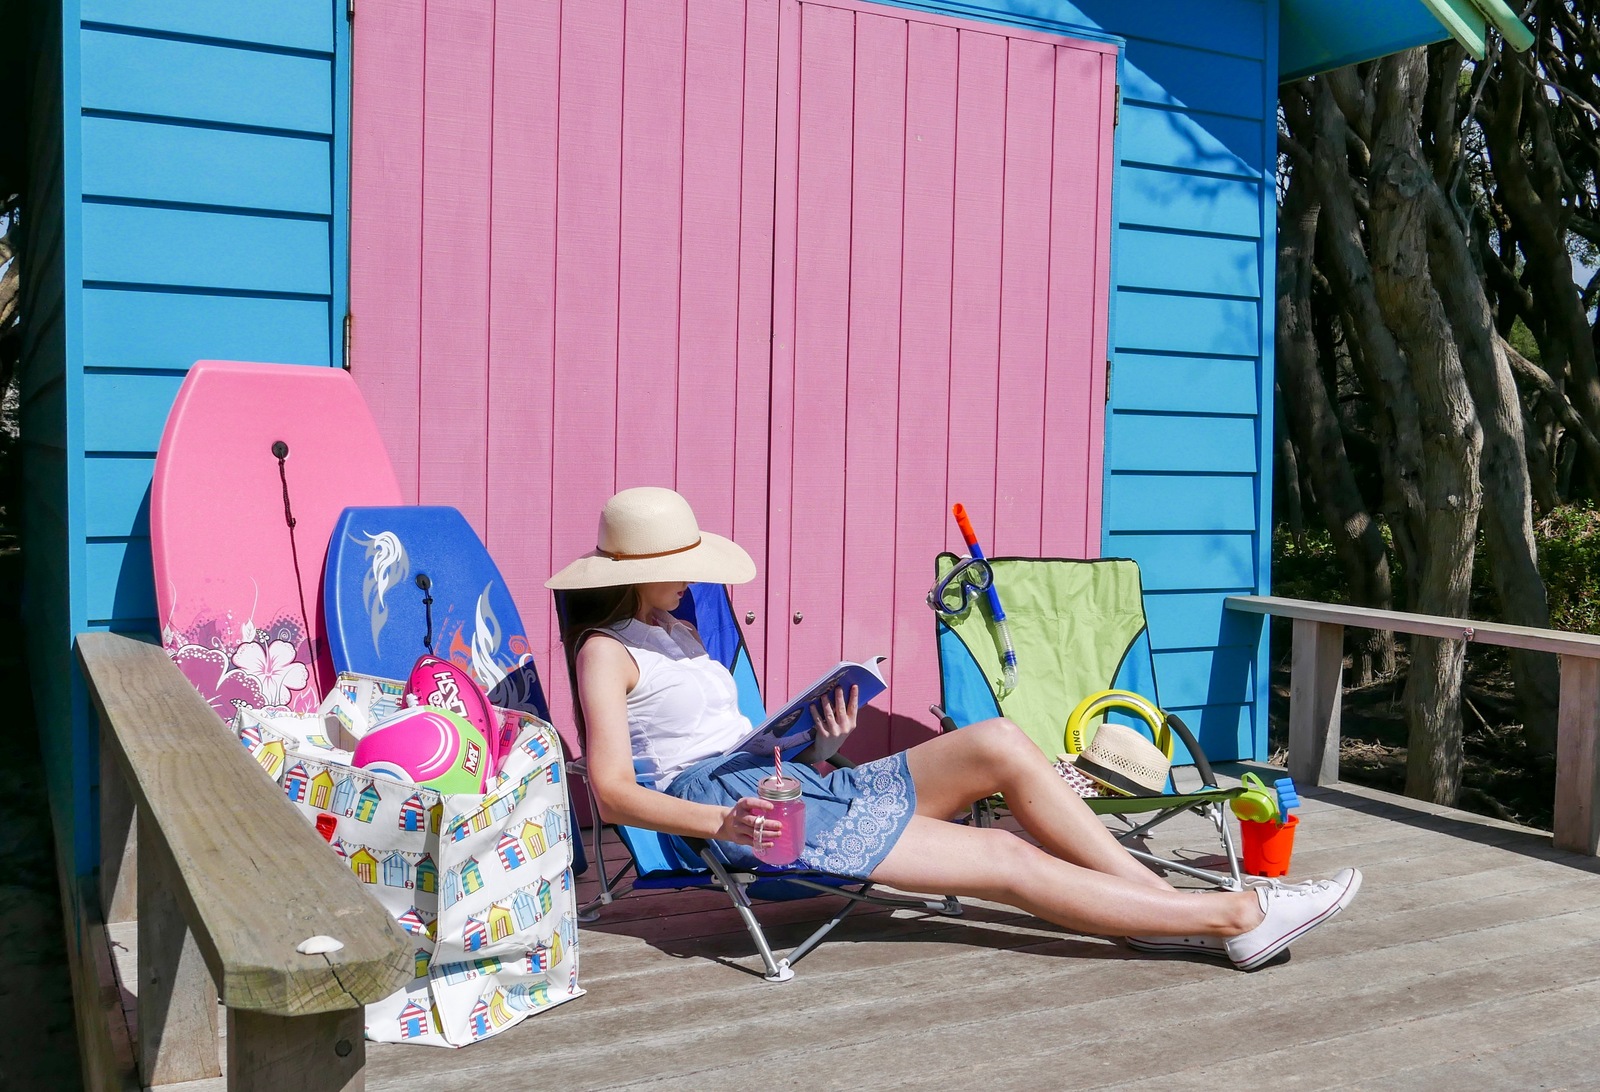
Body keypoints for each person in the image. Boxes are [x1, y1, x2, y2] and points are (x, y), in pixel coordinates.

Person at [549, 487, 1361, 971]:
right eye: (682, 562)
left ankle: (1151, 906)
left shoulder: (685, 633)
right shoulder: (604, 651)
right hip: (740, 817)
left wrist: (821, 741)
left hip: (788, 780)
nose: (695, 575)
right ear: (639, 571)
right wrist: (722, 822)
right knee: (1003, 854)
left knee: (1002, 741)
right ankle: (1236, 917)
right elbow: (616, 793)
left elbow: (740, 742)